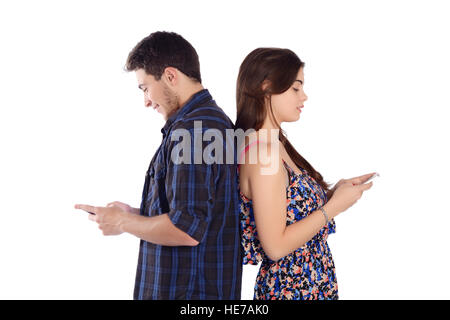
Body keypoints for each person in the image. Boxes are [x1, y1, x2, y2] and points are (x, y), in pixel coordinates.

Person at [74, 31, 242, 299]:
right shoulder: (204, 124)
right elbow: (194, 215)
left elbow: (186, 229)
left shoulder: (193, 132)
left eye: (145, 88)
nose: (146, 101)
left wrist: (123, 222)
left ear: (171, 76)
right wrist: (136, 214)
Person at [235, 47, 374, 300]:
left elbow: (287, 211)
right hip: (291, 291)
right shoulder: (262, 152)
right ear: (266, 88)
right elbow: (276, 246)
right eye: (296, 88)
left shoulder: (275, 143)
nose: (304, 96)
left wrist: (334, 194)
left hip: (308, 288)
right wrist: (334, 208)